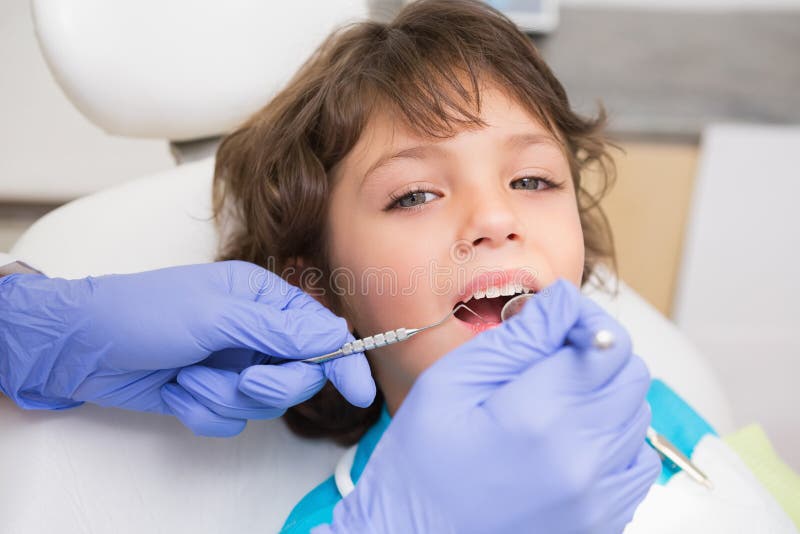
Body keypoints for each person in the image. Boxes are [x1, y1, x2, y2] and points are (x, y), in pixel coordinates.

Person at [200, 0, 662, 531]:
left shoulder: (645, 404)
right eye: (416, 195)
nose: (495, 217)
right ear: (320, 291)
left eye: (532, 180)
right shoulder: (353, 520)